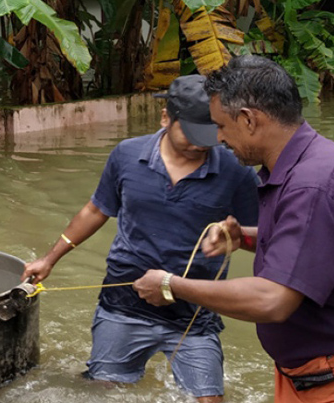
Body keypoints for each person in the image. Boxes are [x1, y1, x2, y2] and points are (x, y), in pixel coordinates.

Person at [133, 56, 334, 402]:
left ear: (249, 120)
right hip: (310, 375)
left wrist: (170, 285)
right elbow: (314, 246)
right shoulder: (301, 164)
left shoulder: (313, 184)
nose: (218, 138)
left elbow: (273, 300)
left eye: (221, 125)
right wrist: (246, 237)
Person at [22, 75, 259, 403]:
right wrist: (49, 258)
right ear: (165, 117)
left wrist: (239, 237)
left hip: (194, 314)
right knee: (103, 393)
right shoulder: (127, 155)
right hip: (125, 305)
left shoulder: (237, 170)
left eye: (212, 133)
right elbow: (95, 210)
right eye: (192, 133)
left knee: (209, 400)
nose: (202, 144)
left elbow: (266, 236)